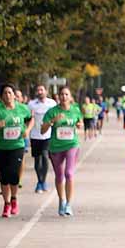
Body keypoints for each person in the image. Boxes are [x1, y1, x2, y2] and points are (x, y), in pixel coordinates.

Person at [0, 84, 29, 217]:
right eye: (5, 93)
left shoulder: (22, 108)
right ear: (2, 96)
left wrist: (27, 130)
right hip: (1, 147)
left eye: (10, 93)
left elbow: (30, 119)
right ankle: (6, 204)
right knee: (4, 177)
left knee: (13, 174)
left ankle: (14, 199)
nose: (8, 95)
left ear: (14, 95)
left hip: (17, 145)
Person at [40, 86, 81, 216]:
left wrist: (80, 125)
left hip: (72, 144)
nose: (64, 97)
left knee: (69, 174)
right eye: (61, 94)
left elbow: (80, 122)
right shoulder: (52, 112)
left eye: (66, 94)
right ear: (58, 97)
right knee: (59, 176)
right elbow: (42, 130)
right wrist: (52, 121)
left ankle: (69, 204)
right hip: (56, 147)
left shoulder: (75, 110)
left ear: (70, 97)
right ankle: (62, 200)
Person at [26, 84, 56, 193]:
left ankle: (43, 181)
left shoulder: (52, 103)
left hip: (47, 135)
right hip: (35, 135)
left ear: (46, 91)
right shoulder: (31, 104)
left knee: (45, 156)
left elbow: (55, 116)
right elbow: (27, 118)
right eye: (38, 90)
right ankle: (39, 181)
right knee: (37, 159)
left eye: (42, 90)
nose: (40, 92)